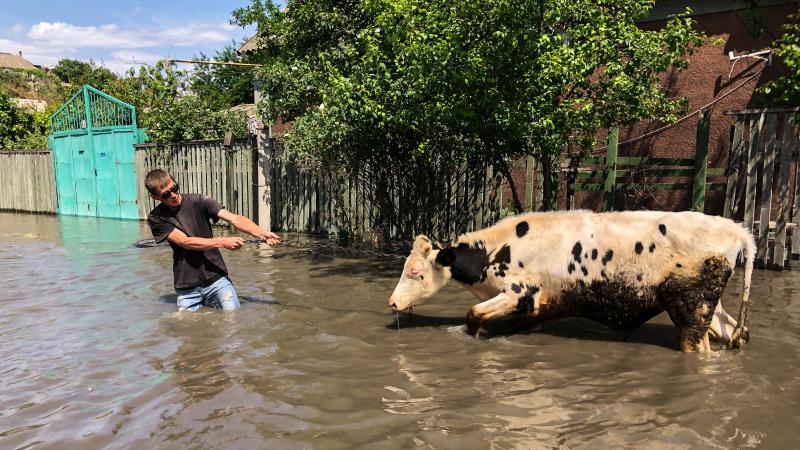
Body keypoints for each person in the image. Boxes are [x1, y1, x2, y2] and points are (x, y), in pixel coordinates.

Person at [145, 168, 281, 312]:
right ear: (155, 197)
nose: (174, 195)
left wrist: (263, 233)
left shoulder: (199, 200)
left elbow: (234, 219)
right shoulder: (156, 217)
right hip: (186, 285)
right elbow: (185, 242)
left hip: (216, 277)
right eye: (166, 194)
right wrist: (222, 242)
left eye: (175, 188)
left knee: (234, 320)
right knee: (186, 330)